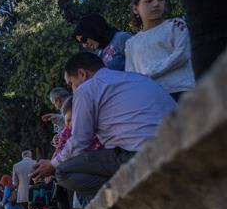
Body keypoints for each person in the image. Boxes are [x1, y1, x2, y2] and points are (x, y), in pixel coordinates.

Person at [31, 52, 176, 201]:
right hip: (175, 141)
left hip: (142, 154)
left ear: (82, 74)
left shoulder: (86, 89)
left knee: (62, 172)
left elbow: (80, 140)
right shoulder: (135, 77)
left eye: (71, 84)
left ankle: (130, 199)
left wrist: (52, 164)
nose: (73, 90)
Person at [125, 0, 195, 100]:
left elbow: (182, 54)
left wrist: (149, 73)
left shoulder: (176, 25)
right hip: (150, 97)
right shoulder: (131, 43)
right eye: (149, 1)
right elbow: (130, 75)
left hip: (180, 91)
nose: (156, 4)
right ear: (135, 9)